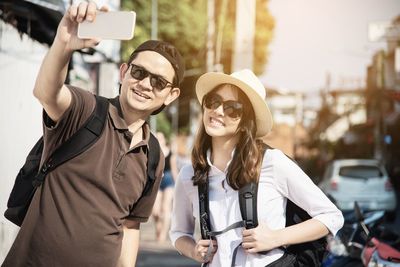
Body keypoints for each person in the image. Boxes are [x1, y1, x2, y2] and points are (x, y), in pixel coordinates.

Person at [2, 1, 184, 267]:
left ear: (171, 95)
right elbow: (47, 92)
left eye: (158, 82)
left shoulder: (153, 155)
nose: (145, 84)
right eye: (139, 72)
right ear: (124, 72)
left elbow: (130, 226)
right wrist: (64, 42)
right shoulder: (87, 110)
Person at [169, 69, 344, 266]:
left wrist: (277, 237)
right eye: (213, 101)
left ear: (246, 122)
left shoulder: (272, 162)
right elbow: (178, 232)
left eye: (232, 108)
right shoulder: (190, 174)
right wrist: (193, 250)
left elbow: (332, 216)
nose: (218, 111)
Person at [152, 132, 177, 242]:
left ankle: (163, 234)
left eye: (160, 137)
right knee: (155, 211)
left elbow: (174, 169)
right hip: (156, 180)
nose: (158, 139)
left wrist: (178, 185)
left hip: (168, 180)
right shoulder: (153, 151)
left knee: (165, 208)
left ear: (164, 139)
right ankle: (158, 228)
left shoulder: (170, 152)